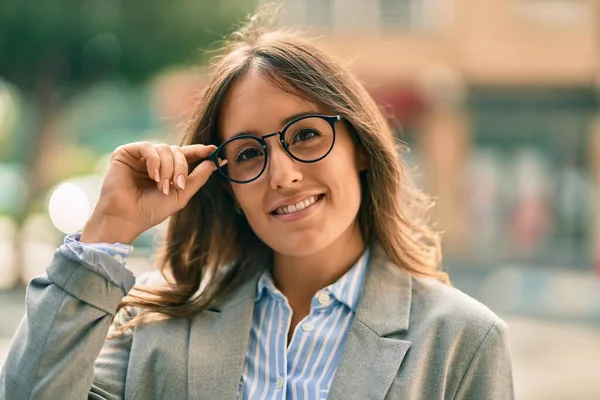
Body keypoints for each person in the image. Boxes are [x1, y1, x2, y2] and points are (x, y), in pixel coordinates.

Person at [0, 9, 514, 400]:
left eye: (307, 135)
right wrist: (105, 233)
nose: (284, 174)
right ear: (226, 184)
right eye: (248, 153)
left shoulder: (460, 340)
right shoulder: (155, 327)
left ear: (359, 146)